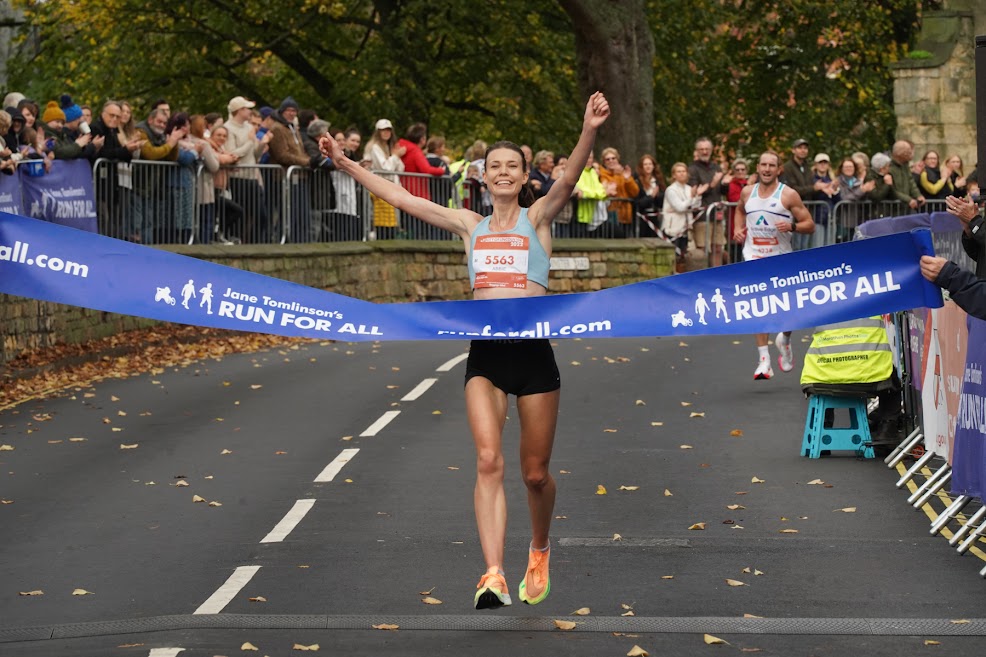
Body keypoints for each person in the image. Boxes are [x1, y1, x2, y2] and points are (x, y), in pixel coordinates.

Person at [319, 92, 611, 610]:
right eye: (494, 167)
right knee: (487, 459)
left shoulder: (538, 217)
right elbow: (407, 199)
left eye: (511, 167)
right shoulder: (468, 225)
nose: (502, 173)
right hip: (485, 362)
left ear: (524, 177)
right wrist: (345, 165)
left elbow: (567, 180)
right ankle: (493, 573)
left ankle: (539, 549)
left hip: (534, 359)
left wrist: (588, 130)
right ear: (482, 176)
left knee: (535, 474)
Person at [732, 150, 815, 380]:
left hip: (781, 257)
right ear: (757, 167)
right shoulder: (747, 192)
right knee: (759, 307)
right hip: (754, 257)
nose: (767, 169)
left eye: (772, 165)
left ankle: (785, 339)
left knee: (789, 310)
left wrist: (793, 227)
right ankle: (764, 360)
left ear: (779, 169)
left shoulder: (788, 195)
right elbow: (739, 210)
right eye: (763, 165)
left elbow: (810, 224)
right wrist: (737, 230)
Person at [662, 162, 700, 271]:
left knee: (684, 255)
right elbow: (680, 207)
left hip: (686, 227)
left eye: (684, 171)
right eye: (679, 172)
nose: (682, 174)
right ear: (674, 175)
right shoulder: (671, 190)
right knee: (673, 255)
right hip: (673, 227)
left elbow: (695, 205)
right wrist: (692, 198)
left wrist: (697, 196)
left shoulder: (688, 188)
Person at [597, 147, 639, 237]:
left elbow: (635, 192)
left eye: (613, 158)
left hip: (626, 215)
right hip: (611, 214)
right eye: (607, 159)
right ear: (604, 162)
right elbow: (613, 190)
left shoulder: (623, 174)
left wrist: (628, 179)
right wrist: (617, 175)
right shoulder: (602, 175)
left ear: (618, 159)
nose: (611, 161)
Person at [889, 140, 925, 211]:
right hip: (893, 208)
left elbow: (911, 182)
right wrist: (908, 199)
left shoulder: (905, 166)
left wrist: (918, 195)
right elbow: (892, 190)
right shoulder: (889, 168)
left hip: (906, 207)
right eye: (908, 152)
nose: (911, 153)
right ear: (900, 153)